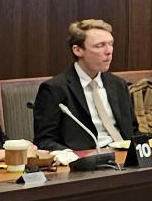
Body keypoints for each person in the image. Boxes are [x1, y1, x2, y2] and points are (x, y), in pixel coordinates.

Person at [32, 18, 137, 150]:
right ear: (77, 50)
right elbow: (45, 141)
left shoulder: (118, 84)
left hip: (127, 155)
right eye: (100, 45)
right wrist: (73, 156)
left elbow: (133, 131)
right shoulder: (55, 89)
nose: (109, 51)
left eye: (111, 44)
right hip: (87, 157)